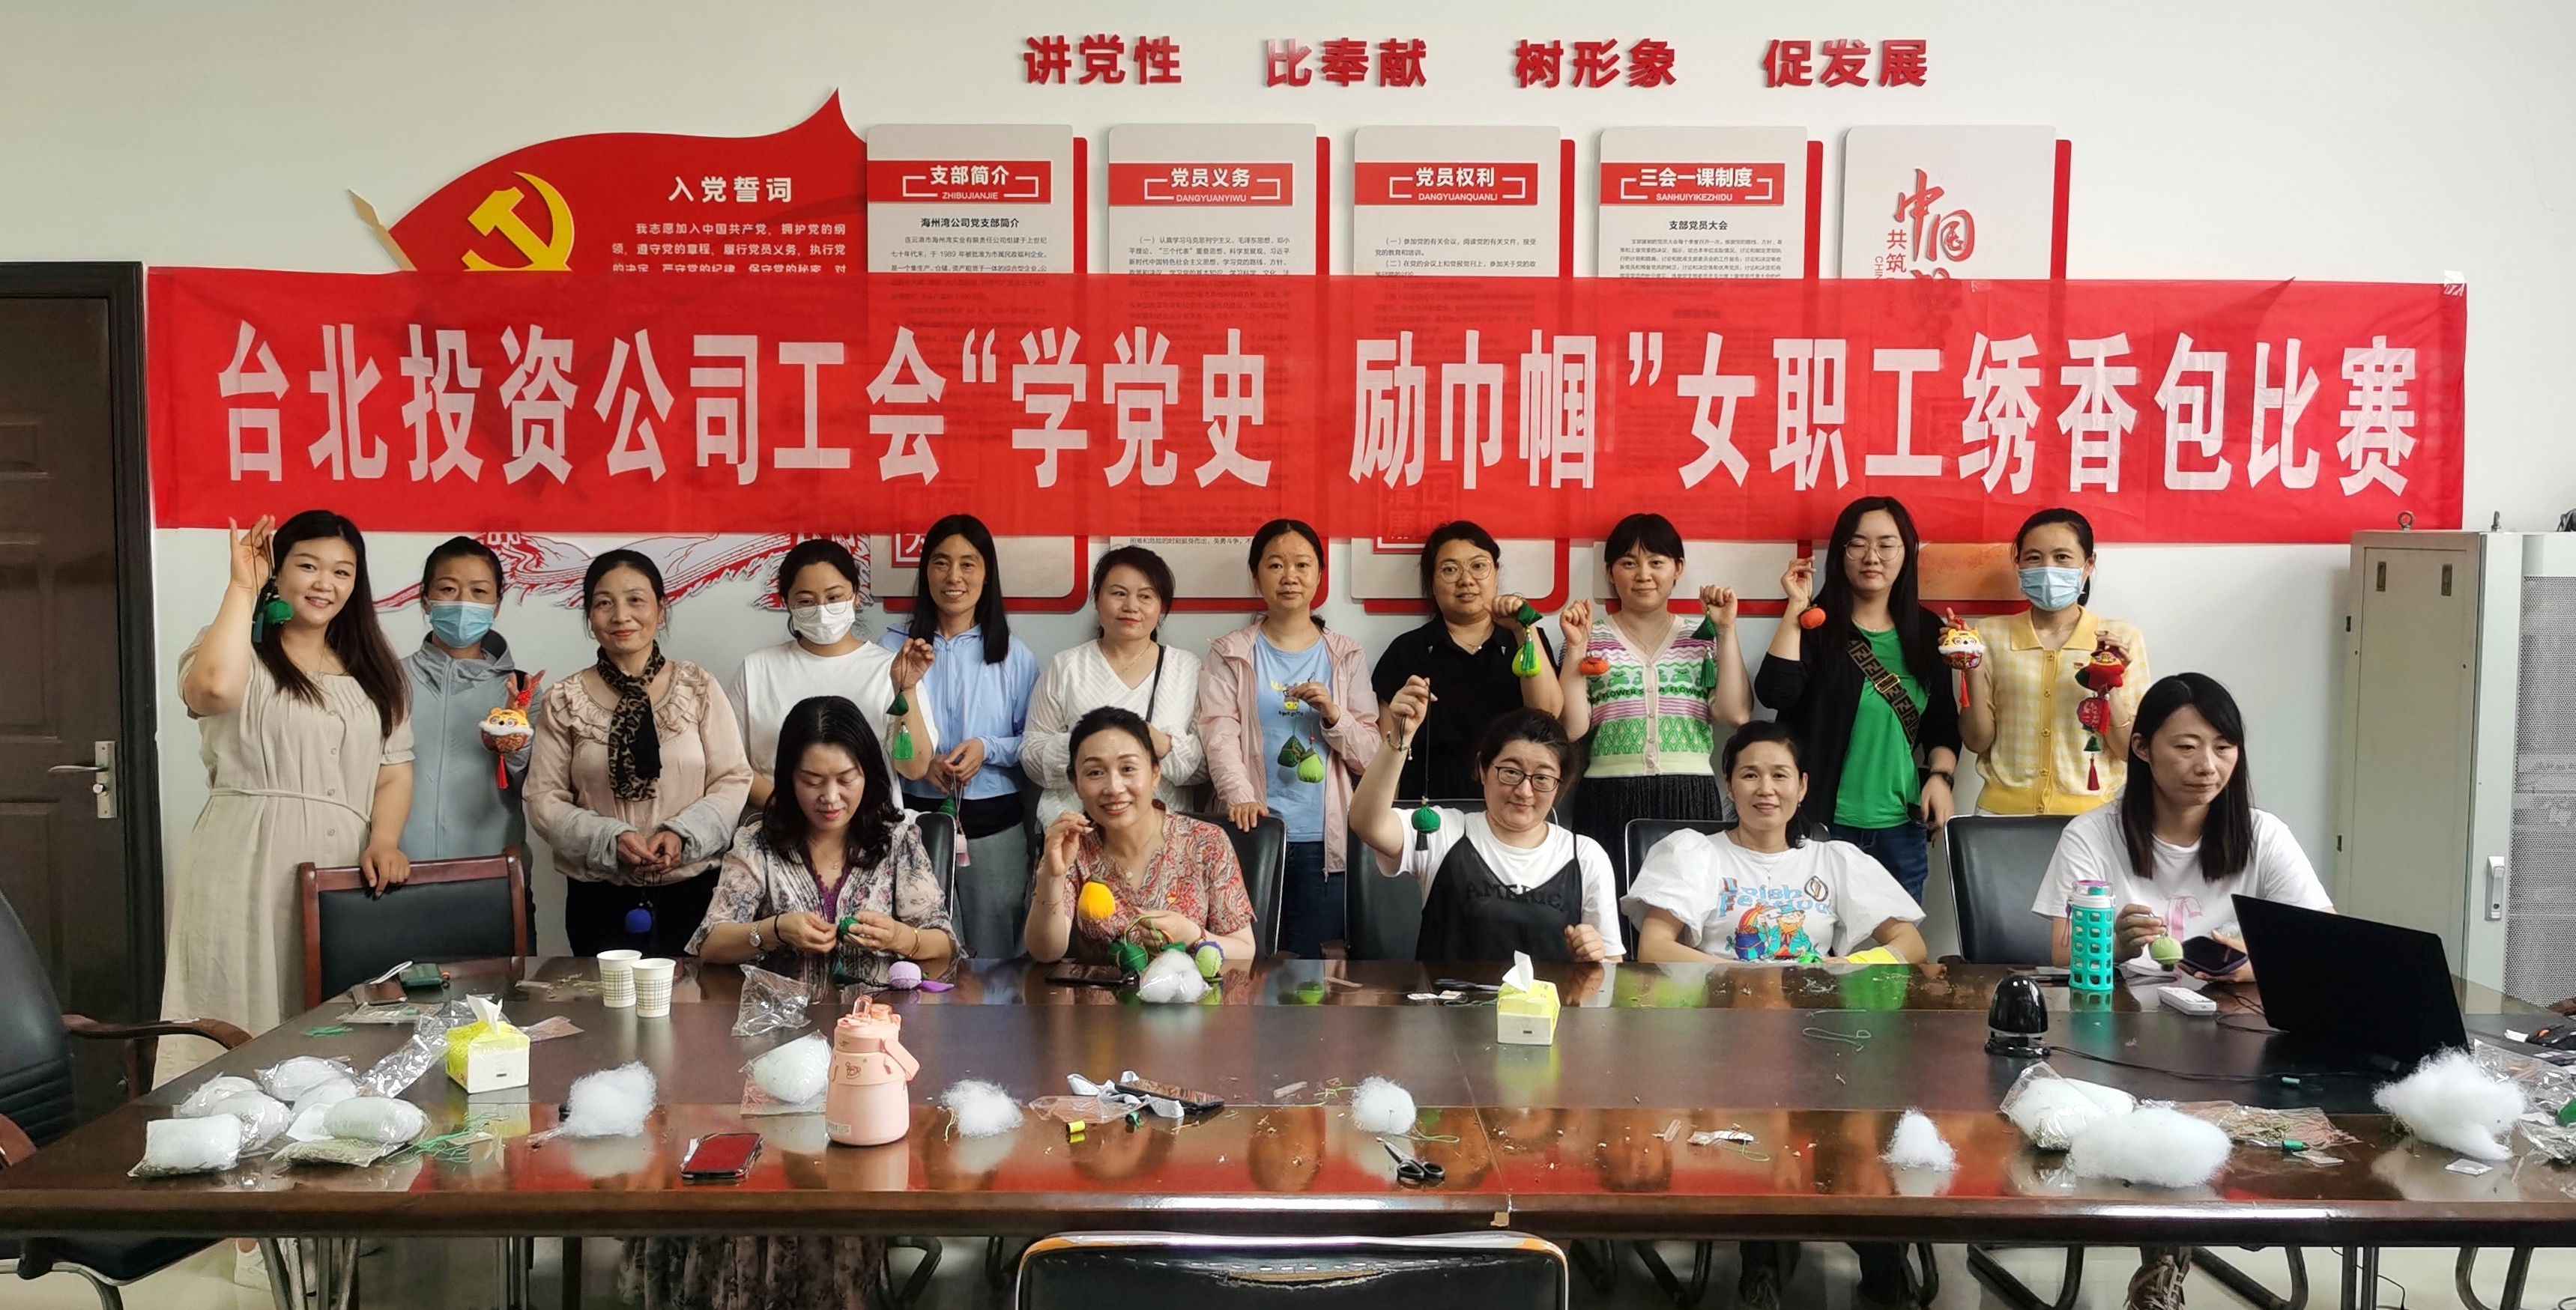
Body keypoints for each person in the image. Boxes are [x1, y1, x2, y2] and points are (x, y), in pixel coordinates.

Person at [160, 511, 412, 1082]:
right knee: (234, 1014)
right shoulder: (232, 646)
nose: (326, 583)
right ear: (277, 570)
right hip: (241, 861)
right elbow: (214, 688)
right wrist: (242, 587)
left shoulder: (376, 672)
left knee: (330, 1027)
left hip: (340, 872)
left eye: (342, 572)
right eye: (308, 565)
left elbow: (394, 769)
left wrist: (385, 838)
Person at [526, 549, 752, 956]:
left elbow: (732, 779)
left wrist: (683, 835)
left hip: (696, 892)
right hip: (598, 897)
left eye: (635, 600)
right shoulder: (564, 699)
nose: (621, 616)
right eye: (604, 603)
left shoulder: (697, 687)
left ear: (660, 610)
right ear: (590, 616)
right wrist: (609, 839)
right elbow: (544, 800)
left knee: (696, 998)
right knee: (603, 998)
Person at [2037, 672, 2330, 983]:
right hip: (2125, 1003)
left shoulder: (2264, 835)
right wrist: (2119, 946)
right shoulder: (2090, 835)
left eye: (2223, 747)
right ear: (2142, 748)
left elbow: (2325, 943)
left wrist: (2256, 967)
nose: (2207, 767)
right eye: (2187, 747)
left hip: (2230, 1005)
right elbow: (2063, 952)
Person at [1756, 497, 1960, 902]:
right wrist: (1796, 609)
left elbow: (1942, 724)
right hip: (1821, 825)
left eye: (1886, 545)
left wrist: (1941, 778)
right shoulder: (1815, 624)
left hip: (1900, 829)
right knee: (1809, 939)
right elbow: (1774, 694)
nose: (1872, 557)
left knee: (1901, 941)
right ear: (1840, 553)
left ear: (1906, 553)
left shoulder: (1926, 630)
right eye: (1858, 544)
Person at [1199, 518, 1382, 958]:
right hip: (1252, 833)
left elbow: (1372, 755)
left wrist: (1334, 715)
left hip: (1324, 840)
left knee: (1313, 972)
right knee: (1243, 962)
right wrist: (1240, 798)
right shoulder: (1230, 652)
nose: (1290, 576)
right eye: (1276, 565)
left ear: (1320, 575)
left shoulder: (1346, 654)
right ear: (1256, 576)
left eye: (1302, 564)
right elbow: (1218, 734)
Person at [692, 695, 953, 989]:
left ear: (867, 775)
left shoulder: (898, 841)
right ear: (789, 779)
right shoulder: (757, 844)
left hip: (878, 1013)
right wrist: (775, 930)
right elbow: (711, 944)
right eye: (812, 781)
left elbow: (944, 945)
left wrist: (898, 937)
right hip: (780, 1014)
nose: (830, 798)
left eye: (846, 780)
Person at [1354, 684, 1621, 962]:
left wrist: (1595, 958)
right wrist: (1400, 738)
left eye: (1542, 778)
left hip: (1549, 994)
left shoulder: (1585, 857)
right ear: (1483, 770)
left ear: (1559, 784)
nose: (1524, 791)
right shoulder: (1444, 831)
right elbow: (1366, 823)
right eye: (1511, 772)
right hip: (1446, 993)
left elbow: (1610, 966)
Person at [1625, 722, 1926, 965]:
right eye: (1750, 775)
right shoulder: (1693, 854)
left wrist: (1848, 965)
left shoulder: (1835, 861)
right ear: (1730, 787)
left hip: (1809, 1010)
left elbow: (1911, 945)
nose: (1766, 789)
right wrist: (1741, 977)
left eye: (1780, 775)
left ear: (1802, 787)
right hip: (1720, 1005)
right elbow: (1653, 948)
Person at [1556, 512, 1751, 885]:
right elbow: (1571, 728)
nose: (1643, 574)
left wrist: (1725, 630)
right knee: (1607, 903)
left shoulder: (1703, 638)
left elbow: (1736, 713)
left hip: (1689, 791)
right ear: (1610, 572)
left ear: (1678, 569)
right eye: (1629, 563)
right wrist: (1577, 648)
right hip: (1608, 792)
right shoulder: (1587, 637)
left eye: (1656, 562)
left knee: (1688, 903)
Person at [880, 514, 1040, 960]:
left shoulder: (1013, 655)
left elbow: (1033, 743)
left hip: (994, 829)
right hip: (913, 824)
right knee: (918, 956)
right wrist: (920, 761)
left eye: (969, 564)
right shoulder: (892, 648)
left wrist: (988, 748)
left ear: (987, 575)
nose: (954, 577)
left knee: (994, 959)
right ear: (925, 571)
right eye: (941, 563)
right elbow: (874, 737)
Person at [1026, 707, 1257, 966]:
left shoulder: (1206, 842)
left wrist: (1194, 936)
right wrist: (1051, 877)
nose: (1114, 788)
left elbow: (1244, 949)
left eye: (1128, 768)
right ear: (1076, 783)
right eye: (1095, 773)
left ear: (1155, 773)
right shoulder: (1073, 847)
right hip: (1101, 993)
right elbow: (1046, 952)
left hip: (1190, 991)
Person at [1960, 509, 2151, 815]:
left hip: (2091, 818)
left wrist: (2110, 685)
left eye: (2062, 557)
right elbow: (1976, 741)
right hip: (2001, 816)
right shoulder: (1987, 635)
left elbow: (2130, 750)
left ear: (2088, 565)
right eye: (2034, 558)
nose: (2048, 569)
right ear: (2018, 564)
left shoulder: (2122, 639)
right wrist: (1972, 672)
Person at [726, 539, 937, 810]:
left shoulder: (890, 670)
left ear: (856, 596)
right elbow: (731, 764)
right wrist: (795, 813)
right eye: (806, 601)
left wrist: (905, 690)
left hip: (872, 827)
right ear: (787, 603)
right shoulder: (756, 670)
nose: (822, 610)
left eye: (834, 597)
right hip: (781, 826)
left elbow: (914, 767)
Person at [1370, 520, 1563, 803]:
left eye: (1478, 566)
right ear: (1431, 581)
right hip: (1426, 811)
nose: (1466, 580)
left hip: (1512, 803)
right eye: (1450, 570)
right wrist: (1386, 817)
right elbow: (1388, 753)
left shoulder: (1525, 639)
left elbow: (1547, 716)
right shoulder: (1406, 652)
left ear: (1496, 573)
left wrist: (1524, 628)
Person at [398, 536, 533, 930]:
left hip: (494, 886)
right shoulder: (387, 680)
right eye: (447, 589)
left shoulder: (523, 690)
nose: (463, 603)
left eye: (478, 592)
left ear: (497, 605)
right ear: (425, 599)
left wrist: (514, 743)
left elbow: (538, 788)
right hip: (396, 880)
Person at [1023, 545, 1207, 827]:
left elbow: (1206, 767)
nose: (1131, 606)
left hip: (1163, 835)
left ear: (1161, 606)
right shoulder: (1066, 666)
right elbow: (1031, 756)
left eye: (1145, 596)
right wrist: (1088, 744)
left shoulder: (1187, 668)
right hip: (1078, 833)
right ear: (1097, 600)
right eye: (1119, 593)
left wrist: (1163, 745)